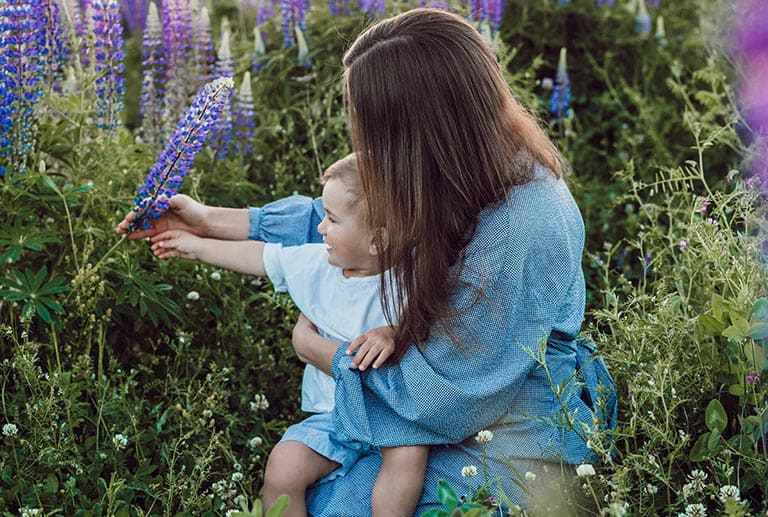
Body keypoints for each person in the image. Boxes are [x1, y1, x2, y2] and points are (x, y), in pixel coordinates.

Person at [119, 8, 617, 514]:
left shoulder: (521, 225)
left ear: (420, 129)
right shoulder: (468, 166)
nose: (364, 142)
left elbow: (444, 399)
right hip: (445, 408)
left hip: (513, 440)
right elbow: (355, 219)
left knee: (327, 503)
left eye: (372, 130)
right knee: (300, 485)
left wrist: (322, 353)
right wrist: (206, 220)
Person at [138, 154, 429, 517]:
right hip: (334, 416)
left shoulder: (412, 276)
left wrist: (393, 332)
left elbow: (436, 317)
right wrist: (192, 246)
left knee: (408, 455)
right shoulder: (319, 265)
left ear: (377, 240)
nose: (320, 228)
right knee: (283, 466)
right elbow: (262, 257)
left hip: (392, 413)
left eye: (332, 219)